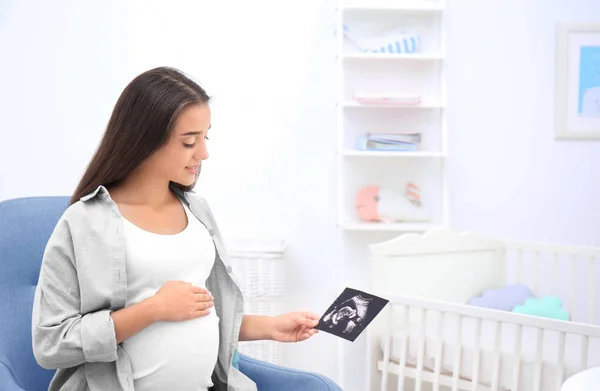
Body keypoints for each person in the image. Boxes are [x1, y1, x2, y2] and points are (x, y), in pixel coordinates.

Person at [31, 66, 321, 391]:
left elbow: (203, 313)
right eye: (188, 142)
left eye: (205, 137)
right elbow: (50, 344)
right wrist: (153, 309)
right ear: (144, 141)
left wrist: (271, 326)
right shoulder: (84, 223)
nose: (204, 153)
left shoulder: (197, 211)